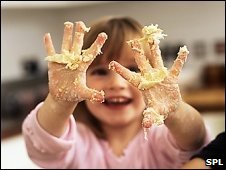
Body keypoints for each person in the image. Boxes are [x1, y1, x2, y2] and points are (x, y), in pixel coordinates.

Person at [22, 16, 211, 169]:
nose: (116, 83)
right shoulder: (76, 140)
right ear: (80, 78)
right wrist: (59, 102)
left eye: (134, 70)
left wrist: (174, 110)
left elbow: (195, 139)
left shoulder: (159, 136)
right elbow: (43, 145)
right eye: (100, 71)